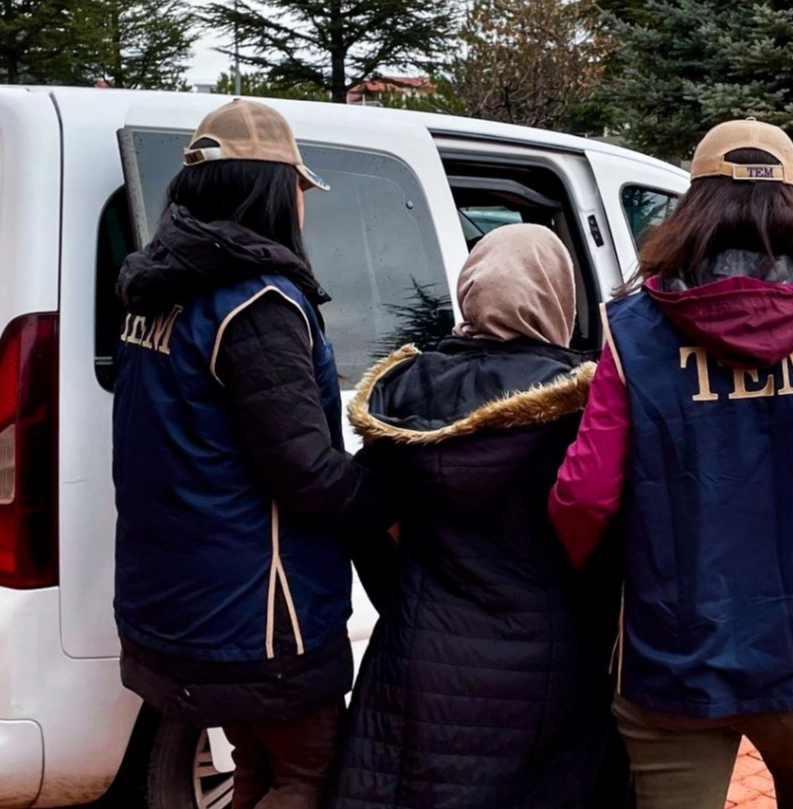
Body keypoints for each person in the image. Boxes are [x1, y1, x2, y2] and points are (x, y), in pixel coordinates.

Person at [548, 119, 793, 809]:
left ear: (693, 204)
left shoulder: (633, 333)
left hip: (677, 652)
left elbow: (584, 496)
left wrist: (608, 580)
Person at [112, 99, 395, 809]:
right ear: (270, 190)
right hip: (259, 613)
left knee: (259, 768)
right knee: (310, 776)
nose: (303, 205)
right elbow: (305, 472)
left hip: (179, 597)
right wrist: (399, 491)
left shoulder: (157, 292)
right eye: (299, 188)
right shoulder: (258, 305)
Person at [333, 224, 630, 809]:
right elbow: (606, 538)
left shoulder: (406, 394)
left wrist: (409, 598)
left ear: (471, 289)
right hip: (550, 666)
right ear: (557, 297)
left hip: (419, 656)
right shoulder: (584, 403)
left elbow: (365, 518)